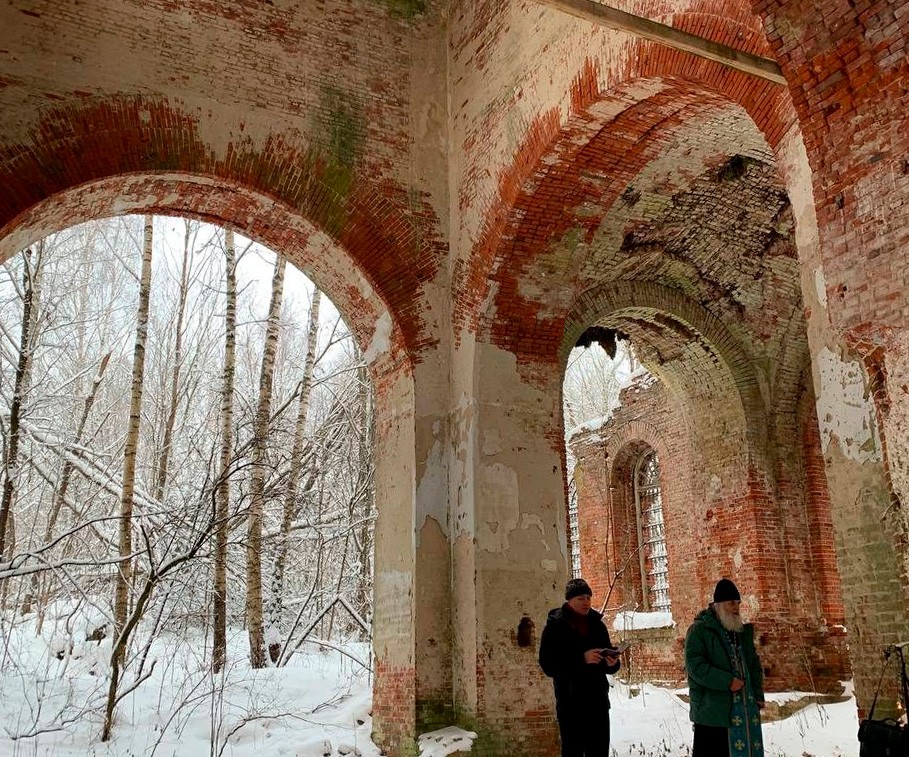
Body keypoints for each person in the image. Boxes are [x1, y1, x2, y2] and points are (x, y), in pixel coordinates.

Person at [539, 577, 621, 756]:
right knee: (573, 751)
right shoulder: (555, 628)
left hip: (597, 701)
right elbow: (548, 664)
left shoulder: (598, 626)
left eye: (588, 598)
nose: (586, 602)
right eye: (581, 598)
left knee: (599, 751)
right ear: (569, 600)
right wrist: (581, 659)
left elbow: (607, 664)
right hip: (571, 703)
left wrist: (612, 663)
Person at [684, 578, 766, 756]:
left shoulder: (740, 632)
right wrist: (727, 681)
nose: (736, 607)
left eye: (738, 603)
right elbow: (695, 667)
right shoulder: (699, 631)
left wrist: (758, 694)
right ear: (718, 604)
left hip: (744, 710)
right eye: (731, 603)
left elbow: (753, 664)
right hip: (712, 712)